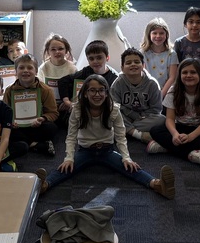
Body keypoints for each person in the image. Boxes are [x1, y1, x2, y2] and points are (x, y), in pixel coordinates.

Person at [36, 74, 175, 199]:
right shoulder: (77, 110)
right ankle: (44, 185)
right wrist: (68, 158)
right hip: (85, 151)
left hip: (107, 150)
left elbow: (121, 136)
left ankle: (157, 185)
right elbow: (71, 137)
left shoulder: (113, 109)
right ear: (85, 93)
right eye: (92, 90)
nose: (98, 94)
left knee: (130, 167)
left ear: (107, 93)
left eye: (101, 90)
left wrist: (126, 157)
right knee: (65, 168)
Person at [148, 58, 200, 167]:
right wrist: (175, 134)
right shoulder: (173, 91)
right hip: (179, 127)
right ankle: (191, 154)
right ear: (179, 75)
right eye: (184, 72)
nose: (188, 75)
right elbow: (170, 119)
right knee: (155, 130)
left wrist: (190, 137)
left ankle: (167, 147)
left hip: (198, 130)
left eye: (193, 72)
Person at [3, 54, 59, 156]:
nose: (25, 70)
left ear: (36, 71)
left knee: (52, 128)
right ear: (16, 71)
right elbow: (4, 113)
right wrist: (11, 122)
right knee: (4, 130)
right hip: (17, 127)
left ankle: (25, 144)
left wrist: (42, 118)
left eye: (30, 67)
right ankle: (35, 144)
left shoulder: (46, 90)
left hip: (37, 126)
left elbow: (53, 113)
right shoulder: (9, 90)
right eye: (21, 68)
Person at [111, 47, 163, 143]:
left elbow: (156, 109)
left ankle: (123, 131)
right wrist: (130, 115)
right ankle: (137, 134)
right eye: (128, 63)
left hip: (143, 119)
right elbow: (114, 106)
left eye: (136, 62)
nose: (133, 64)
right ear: (122, 68)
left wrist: (139, 117)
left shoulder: (152, 84)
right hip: (124, 116)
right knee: (110, 114)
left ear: (143, 65)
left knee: (162, 120)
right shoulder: (118, 83)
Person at [57, 39, 119, 111]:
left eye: (99, 58)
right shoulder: (85, 72)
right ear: (88, 60)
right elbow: (63, 81)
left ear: (107, 58)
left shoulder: (114, 78)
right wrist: (67, 101)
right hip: (84, 110)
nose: (95, 61)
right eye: (91, 59)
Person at [38, 33, 77, 117]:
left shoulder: (72, 68)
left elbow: (76, 91)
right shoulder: (43, 68)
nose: (57, 52)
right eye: (53, 49)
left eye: (60, 49)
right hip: (48, 108)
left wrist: (69, 103)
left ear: (66, 51)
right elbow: (39, 89)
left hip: (67, 108)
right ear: (48, 51)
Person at [140, 17, 178, 97]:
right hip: (147, 92)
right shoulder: (143, 53)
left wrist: (161, 95)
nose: (158, 36)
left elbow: (172, 77)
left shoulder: (172, 54)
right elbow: (141, 75)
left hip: (166, 93)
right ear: (149, 34)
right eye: (154, 33)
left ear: (166, 35)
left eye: (161, 33)